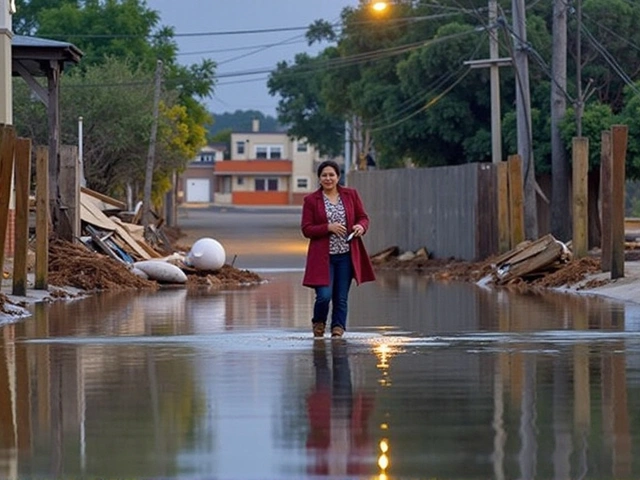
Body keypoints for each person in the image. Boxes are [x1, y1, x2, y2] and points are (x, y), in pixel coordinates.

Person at [301, 160, 376, 338]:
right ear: (319, 178)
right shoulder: (311, 200)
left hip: (346, 256)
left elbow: (363, 217)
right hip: (322, 258)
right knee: (324, 296)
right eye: (324, 175)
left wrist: (360, 227)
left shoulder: (350, 195)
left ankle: (338, 329)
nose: (328, 178)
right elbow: (306, 229)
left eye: (331, 175)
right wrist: (328, 227)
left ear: (338, 177)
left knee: (341, 298)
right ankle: (319, 323)